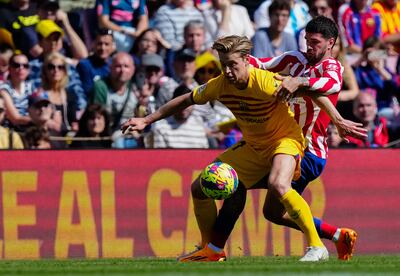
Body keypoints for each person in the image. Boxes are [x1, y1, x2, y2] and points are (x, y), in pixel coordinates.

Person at [122, 34, 349, 262]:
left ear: (247, 61)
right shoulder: (220, 85)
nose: (228, 71)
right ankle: (210, 249)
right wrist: (146, 120)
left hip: (285, 140)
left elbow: (311, 92)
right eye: (224, 65)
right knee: (199, 188)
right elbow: (186, 100)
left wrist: (337, 120)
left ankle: (317, 247)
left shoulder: (264, 81)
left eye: (233, 65)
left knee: (278, 184)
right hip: (254, 146)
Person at [210, 16, 366, 261]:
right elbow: (261, 63)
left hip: (307, 152)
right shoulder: (295, 59)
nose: (309, 46)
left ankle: (316, 247)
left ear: (330, 43)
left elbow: (330, 84)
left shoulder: (332, 68)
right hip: (281, 145)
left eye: (315, 42)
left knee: (241, 184)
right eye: (306, 40)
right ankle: (337, 235)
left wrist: (299, 81)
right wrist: (233, 56)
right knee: (272, 212)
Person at [76, 28, 116, 96]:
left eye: (107, 44)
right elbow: (87, 91)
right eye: (99, 44)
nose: (103, 48)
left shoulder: (115, 65)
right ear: (93, 44)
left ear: (113, 46)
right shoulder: (85, 65)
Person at [0, 53, 35, 127]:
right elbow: (15, 119)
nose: (21, 68)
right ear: (9, 69)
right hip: (13, 132)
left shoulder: (31, 87)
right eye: (16, 65)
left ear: (28, 70)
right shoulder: (3, 89)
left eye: (25, 66)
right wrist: (38, 120)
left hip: (31, 128)